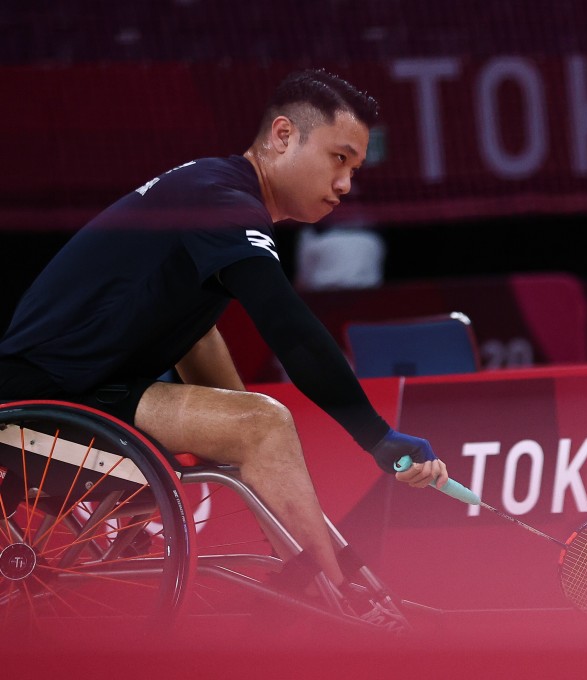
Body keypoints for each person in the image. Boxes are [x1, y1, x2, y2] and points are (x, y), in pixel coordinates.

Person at [0, 68, 448, 598]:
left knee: (255, 425)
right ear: (284, 137)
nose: (346, 184)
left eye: (354, 166)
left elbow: (194, 335)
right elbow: (292, 332)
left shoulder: (211, 192)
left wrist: (244, 438)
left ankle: (319, 585)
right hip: (39, 406)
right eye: (338, 158)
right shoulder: (221, 202)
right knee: (262, 422)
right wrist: (376, 436)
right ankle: (340, 597)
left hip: (84, 393)